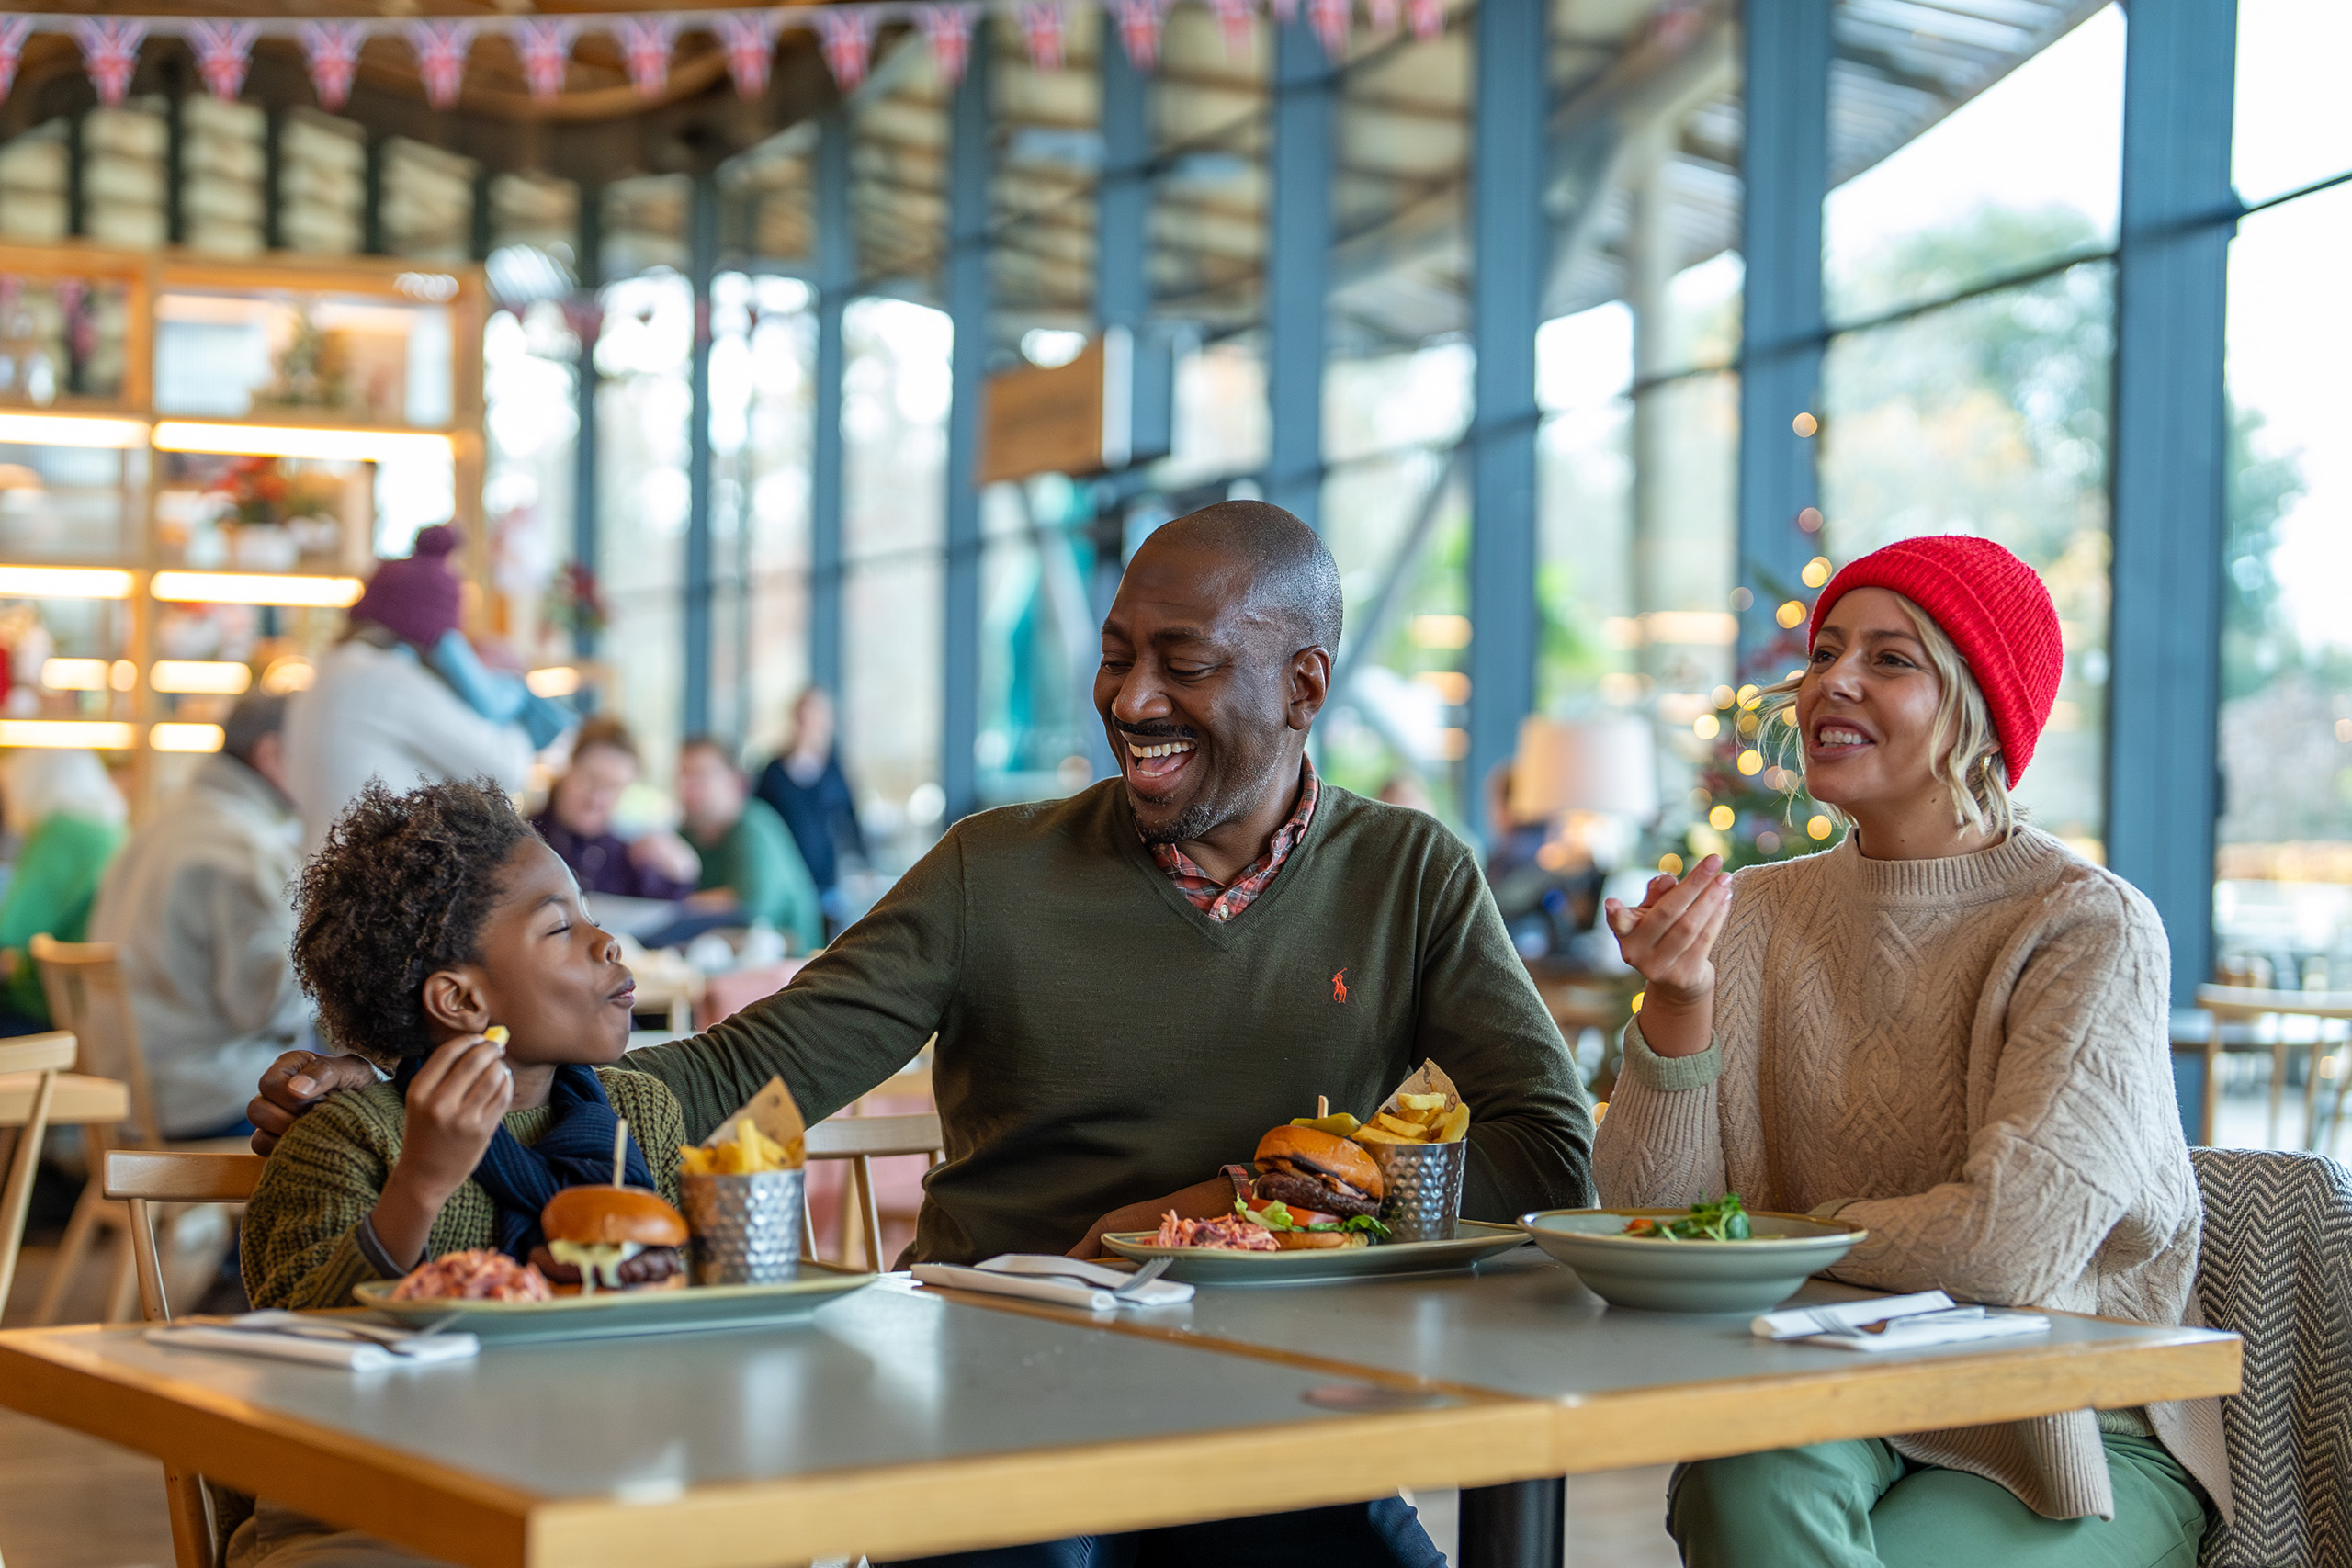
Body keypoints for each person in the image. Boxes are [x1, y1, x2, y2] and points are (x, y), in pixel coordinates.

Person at [248, 501, 1593, 1568]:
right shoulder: (991, 869)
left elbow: (1545, 1152)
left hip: (1277, 1398)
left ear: (1305, 685)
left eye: (1182, 665)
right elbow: (726, 1077)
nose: (1127, 700)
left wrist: (1270, 1213)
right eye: (1116, 653)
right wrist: (401, 1082)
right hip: (998, 1399)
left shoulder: (1407, 873)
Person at [1595, 536, 2229, 1568]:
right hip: (1827, 1382)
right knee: (1735, 1477)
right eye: (1826, 651)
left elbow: (2008, 1247)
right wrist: (1677, 1002)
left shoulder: (2085, 926)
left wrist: (1776, 1239)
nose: (1829, 680)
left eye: (1891, 660)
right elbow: (1654, 1222)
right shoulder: (1747, 916)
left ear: (1979, 709)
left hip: (2069, 1424)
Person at [232, 776, 683, 1568]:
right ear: (461, 999)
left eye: (588, 912)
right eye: (558, 929)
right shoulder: (346, 1138)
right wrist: (420, 1184)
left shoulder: (637, 1117)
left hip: (590, 1479)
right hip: (373, 1509)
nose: (606, 940)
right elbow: (297, 1365)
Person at [88, 694, 307, 1138]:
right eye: (318, 753)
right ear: (271, 755)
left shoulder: (165, 821)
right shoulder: (238, 847)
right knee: (369, 1117)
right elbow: (268, 1007)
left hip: (126, 1093)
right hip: (194, 1099)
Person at [281, 525, 556, 852]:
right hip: (380, 881)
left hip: (332, 872)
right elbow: (504, 772)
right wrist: (509, 695)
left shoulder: (332, 669)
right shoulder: (386, 679)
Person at [0, 749, 127, 1032]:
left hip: (47, 1007)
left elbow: (11, 929)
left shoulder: (63, 832)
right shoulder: (110, 829)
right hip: (92, 1002)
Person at [674, 737, 824, 955]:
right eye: (682, 775)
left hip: (788, 971)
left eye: (699, 775)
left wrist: (672, 906)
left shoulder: (752, 826)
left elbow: (749, 906)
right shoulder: (686, 835)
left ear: (736, 782)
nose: (686, 787)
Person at [531, 717, 699, 902]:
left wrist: (678, 872)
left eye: (613, 788)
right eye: (590, 780)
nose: (597, 800)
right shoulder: (522, 838)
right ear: (568, 767)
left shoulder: (625, 856)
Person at [754, 686, 869, 903]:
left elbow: (849, 820)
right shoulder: (774, 771)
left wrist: (863, 864)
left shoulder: (835, 770)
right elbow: (759, 819)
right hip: (784, 874)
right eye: (805, 715)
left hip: (826, 878)